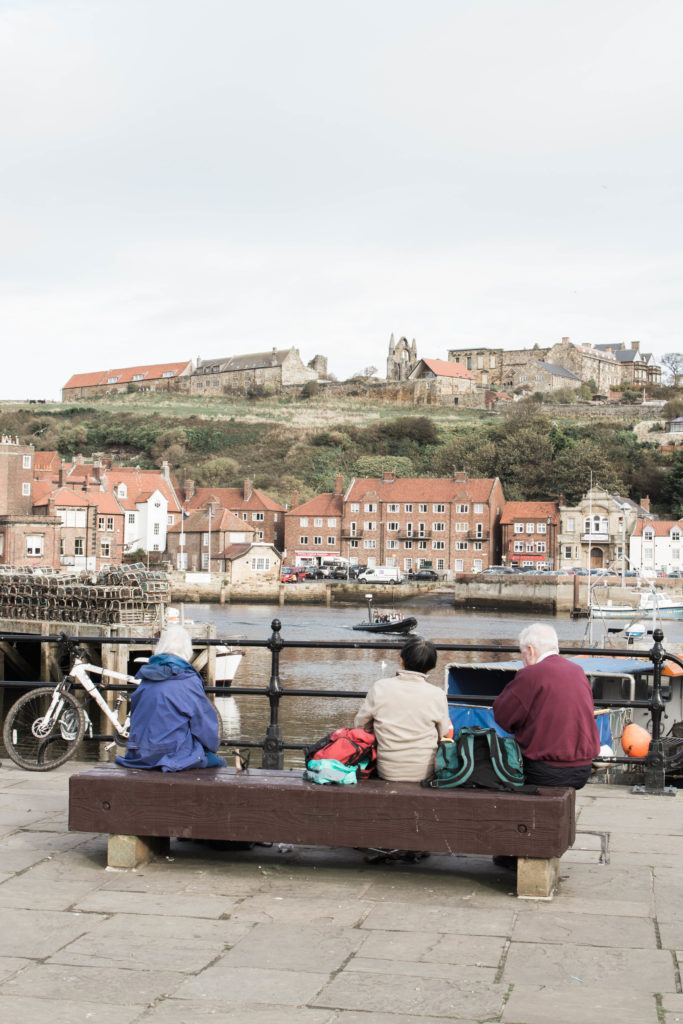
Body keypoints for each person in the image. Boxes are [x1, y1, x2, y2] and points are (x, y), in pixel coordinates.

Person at [492, 622, 600, 790]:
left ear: (530, 650)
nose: (523, 661)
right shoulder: (578, 671)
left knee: (494, 766)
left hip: (545, 770)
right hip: (583, 769)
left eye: (523, 655)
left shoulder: (531, 674)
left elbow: (502, 716)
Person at [116, 624, 225, 772]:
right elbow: (204, 724)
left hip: (139, 755)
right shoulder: (188, 680)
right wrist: (211, 747)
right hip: (171, 754)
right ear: (187, 649)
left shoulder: (146, 678)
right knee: (218, 763)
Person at [354, 636, 452, 783]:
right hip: (425, 771)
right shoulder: (437, 694)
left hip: (386, 769)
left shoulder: (380, 687)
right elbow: (444, 733)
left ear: (402, 659)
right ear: (432, 665)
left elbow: (360, 725)